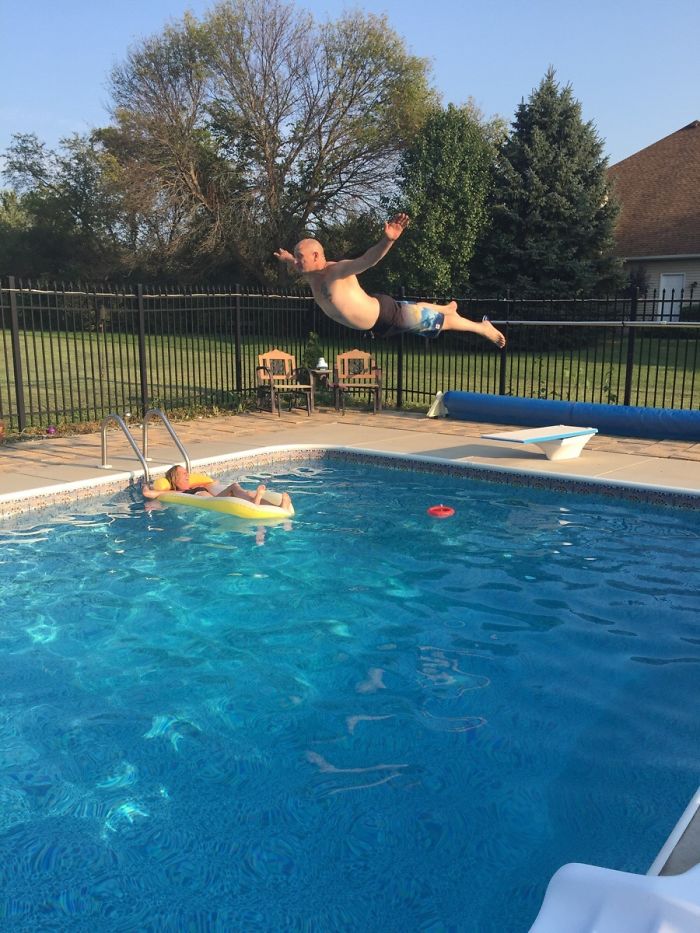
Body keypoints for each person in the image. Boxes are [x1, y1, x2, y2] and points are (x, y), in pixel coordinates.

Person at [274, 213, 506, 347]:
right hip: (378, 318)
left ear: (316, 256)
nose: (297, 262)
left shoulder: (338, 271)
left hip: (385, 316)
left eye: (300, 257)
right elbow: (296, 266)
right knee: (412, 309)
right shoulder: (310, 273)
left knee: (440, 324)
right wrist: (288, 258)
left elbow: (368, 260)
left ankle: (480, 327)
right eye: (296, 258)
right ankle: (446, 307)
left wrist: (388, 241)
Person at [142, 465, 293, 511]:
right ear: (175, 479)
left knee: (240, 489)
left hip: (214, 498)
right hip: (207, 501)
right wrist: (145, 484)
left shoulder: (193, 485)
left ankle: (275, 505)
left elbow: (213, 482)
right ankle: (256, 501)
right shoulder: (174, 492)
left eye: (187, 473)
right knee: (234, 487)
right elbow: (149, 493)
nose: (188, 475)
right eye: (183, 474)